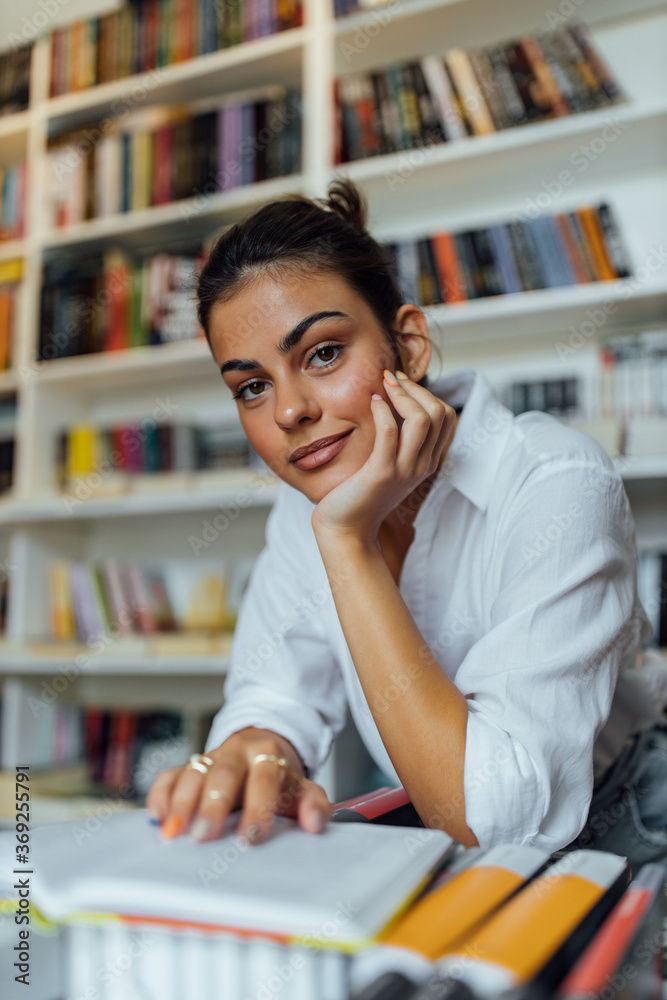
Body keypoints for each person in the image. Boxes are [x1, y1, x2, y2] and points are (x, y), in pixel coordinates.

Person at [146, 178, 667, 871]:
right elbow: (275, 694)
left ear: (408, 347)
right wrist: (255, 748)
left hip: (618, 829)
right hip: (436, 835)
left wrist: (346, 544)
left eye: (323, 353)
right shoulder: (306, 504)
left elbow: (495, 819)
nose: (289, 411)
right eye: (251, 386)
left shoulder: (554, 482)